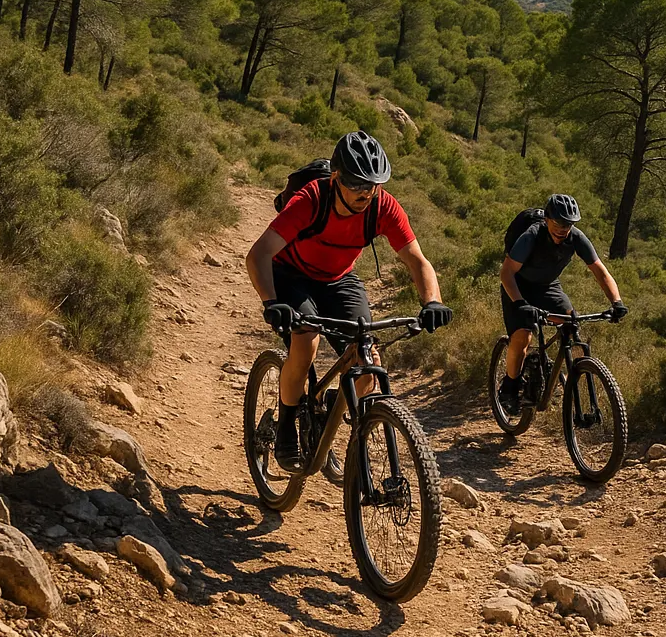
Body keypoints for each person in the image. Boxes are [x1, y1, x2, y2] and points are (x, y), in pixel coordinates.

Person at [246, 131, 452, 471]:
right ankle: (286, 422)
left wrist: (432, 301)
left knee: (367, 358)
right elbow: (259, 254)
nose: (365, 192)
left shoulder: (383, 205)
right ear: (337, 177)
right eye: (356, 183)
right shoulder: (312, 199)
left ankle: (331, 407)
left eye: (372, 184)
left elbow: (417, 260)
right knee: (306, 340)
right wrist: (271, 302)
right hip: (291, 275)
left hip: (339, 278)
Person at [498, 194, 626, 414]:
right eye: (558, 223)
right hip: (518, 285)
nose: (563, 229)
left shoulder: (576, 238)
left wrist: (617, 302)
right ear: (547, 219)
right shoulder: (531, 236)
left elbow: (600, 271)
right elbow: (506, 273)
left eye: (568, 224)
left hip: (548, 286)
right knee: (523, 335)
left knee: (570, 322)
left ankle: (548, 368)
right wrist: (519, 303)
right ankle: (510, 386)